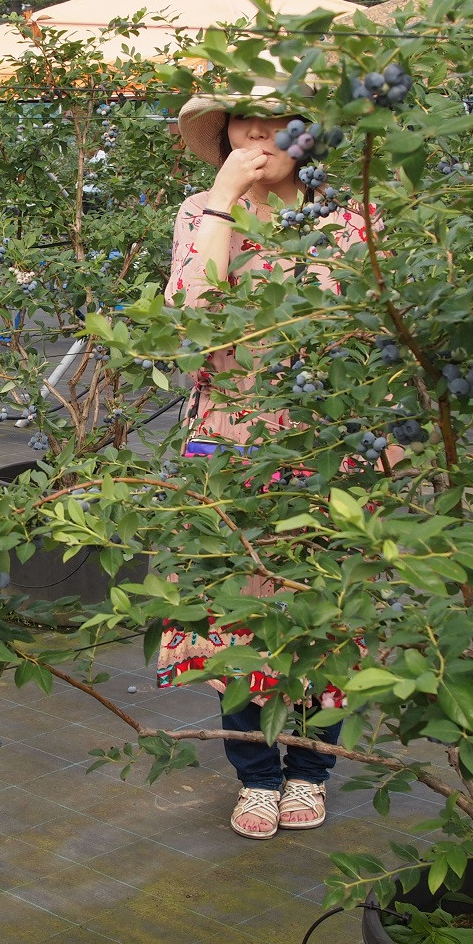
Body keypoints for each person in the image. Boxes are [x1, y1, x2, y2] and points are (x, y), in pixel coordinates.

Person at [162, 89, 367, 842]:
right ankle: (254, 775)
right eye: (238, 120)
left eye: (274, 118)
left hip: (325, 444)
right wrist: (222, 201)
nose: (254, 131)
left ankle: (311, 768)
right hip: (223, 440)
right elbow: (189, 328)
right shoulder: (199, 210)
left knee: (326, 610)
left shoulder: (349, 217)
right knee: (232, 611)